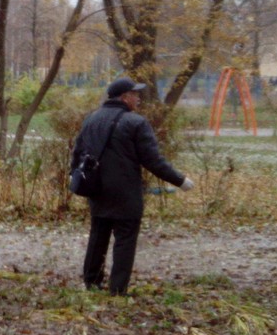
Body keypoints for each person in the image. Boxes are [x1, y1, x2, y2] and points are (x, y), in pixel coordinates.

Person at [72, 77, 194, 296]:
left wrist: (78, 179)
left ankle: (92, 283)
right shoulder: (136, 122)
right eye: (135, 94)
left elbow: (77, 153)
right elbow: (153, 160)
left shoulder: (91, 119)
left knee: (98, 235)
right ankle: (118, 290)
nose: (138, 98)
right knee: (125, 241)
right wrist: (180, 180)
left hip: (97, 189)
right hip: (126, 192)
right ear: (124, 97)